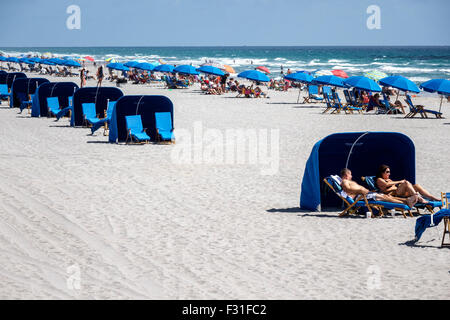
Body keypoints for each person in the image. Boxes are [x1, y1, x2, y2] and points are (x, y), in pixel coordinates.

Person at [340, 168, 418, 208]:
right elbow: (347, 189)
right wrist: (360, 190)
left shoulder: (348, 181)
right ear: (347, 175)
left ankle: (407, 201)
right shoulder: (345, 181)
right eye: (350, 175)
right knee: (386, 198)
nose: (351, 176)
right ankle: (406, 203)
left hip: (365, 195)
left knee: (387, 197)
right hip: (361, 197)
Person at [375, 165, 440, 202]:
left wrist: (394, 186)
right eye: (387, 172)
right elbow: (387, 185)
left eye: (389, 172)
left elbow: (393, 187)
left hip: (398, 192)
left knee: (416, 186)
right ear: (382, 172)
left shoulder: (389, 180)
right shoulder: (379, 179)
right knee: (405, 182)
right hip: (395, 195)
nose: (389, 173)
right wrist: (400, 182)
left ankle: (432, 197)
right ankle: (417, 197)